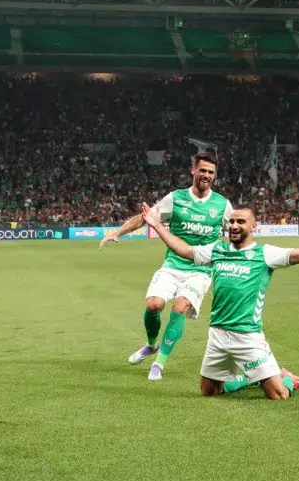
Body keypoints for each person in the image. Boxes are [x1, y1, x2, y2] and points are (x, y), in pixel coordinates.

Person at [141, 203, 299, 399]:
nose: (234, 226)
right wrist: (158, 225)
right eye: (231, 221)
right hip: (217, 333)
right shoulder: (217, 250)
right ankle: (249, 379)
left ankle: (287, 379)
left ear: (253, 226)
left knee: (279, 394)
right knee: (209, 392)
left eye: (241, 221)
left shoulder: (264, 254)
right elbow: (185, 250)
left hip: (248, 335)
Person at [100, 152, 233, 381]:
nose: (206, 175)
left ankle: (159, 363)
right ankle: (151, 345)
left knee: (180, 307)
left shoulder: (222, 204)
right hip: (172, 264)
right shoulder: (176, 198)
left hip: (201, 270)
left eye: (211, 172)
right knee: (154, 305)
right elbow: (146, 217)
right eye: (203, 170)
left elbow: (236, 230)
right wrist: (117, 232)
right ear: (193, 170)